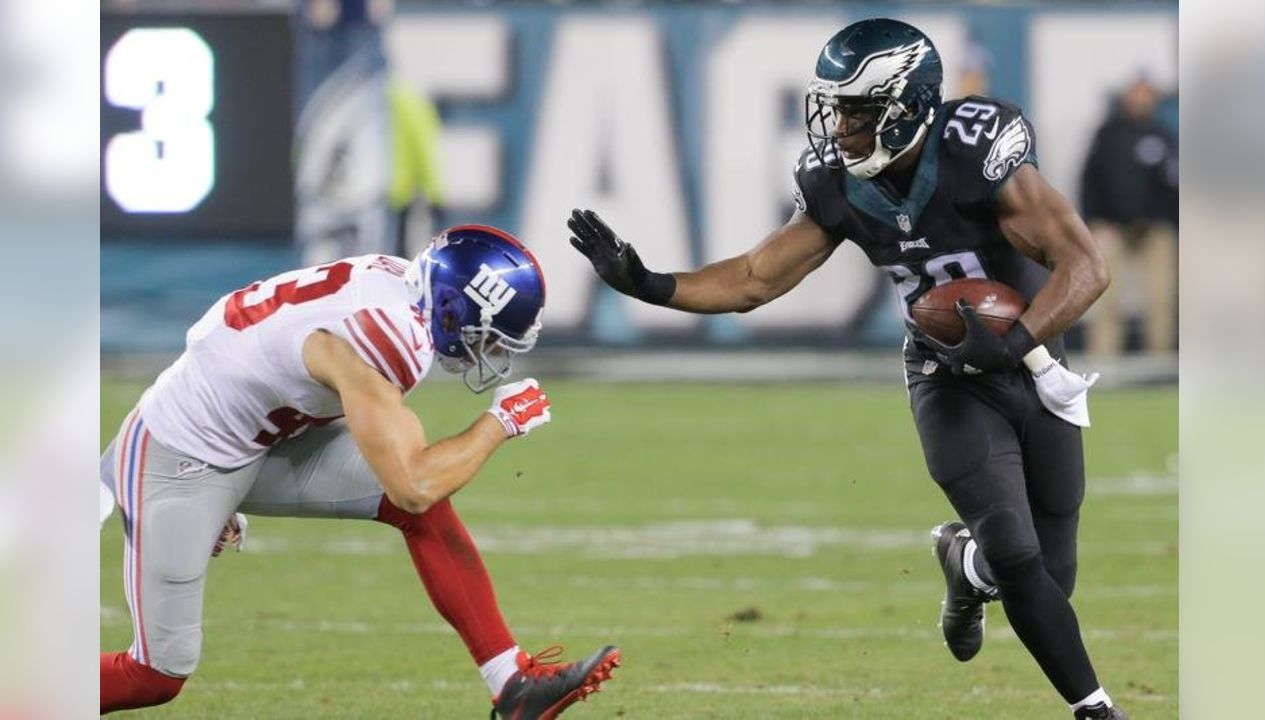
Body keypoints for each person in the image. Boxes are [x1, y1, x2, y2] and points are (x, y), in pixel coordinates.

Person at [569, 18, 1122, 720]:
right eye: (834, 106)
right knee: (1018, 556)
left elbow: (1086, 267)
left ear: (909, 105)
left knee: (1051, 577)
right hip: (946, 376)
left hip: (1031, 358)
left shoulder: (977, 151)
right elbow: (752, 279)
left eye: (857, 109)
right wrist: (648, 283)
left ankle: (964, 565)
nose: (839, 125)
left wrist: (1012, 346)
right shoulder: (837, 184)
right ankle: (1097, 709)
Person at [99, 225, 621, 718]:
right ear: (450, 308)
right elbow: (413, 485)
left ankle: (514, 686)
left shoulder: (398, 286)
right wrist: (500, 422)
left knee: (421, 508)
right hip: (179, 461)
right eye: (487, 336)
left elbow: (271, 362)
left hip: (250, 438)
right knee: (157, 674)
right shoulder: (386, 335)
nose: (490, 352)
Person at [1080, 73, 1179, 356]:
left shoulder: (1163, 135)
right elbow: (1090, 179)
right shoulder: (1108, 133)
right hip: (1112, 226)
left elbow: (1173, 185)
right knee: (1104, 298)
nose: (1141, 98)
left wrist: (1166, 220)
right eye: (1136, 92)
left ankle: (1159, 364)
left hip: (1154, 228)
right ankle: (1104, 363)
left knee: (1160, 298)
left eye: (1146, 92)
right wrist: (1093, 222)